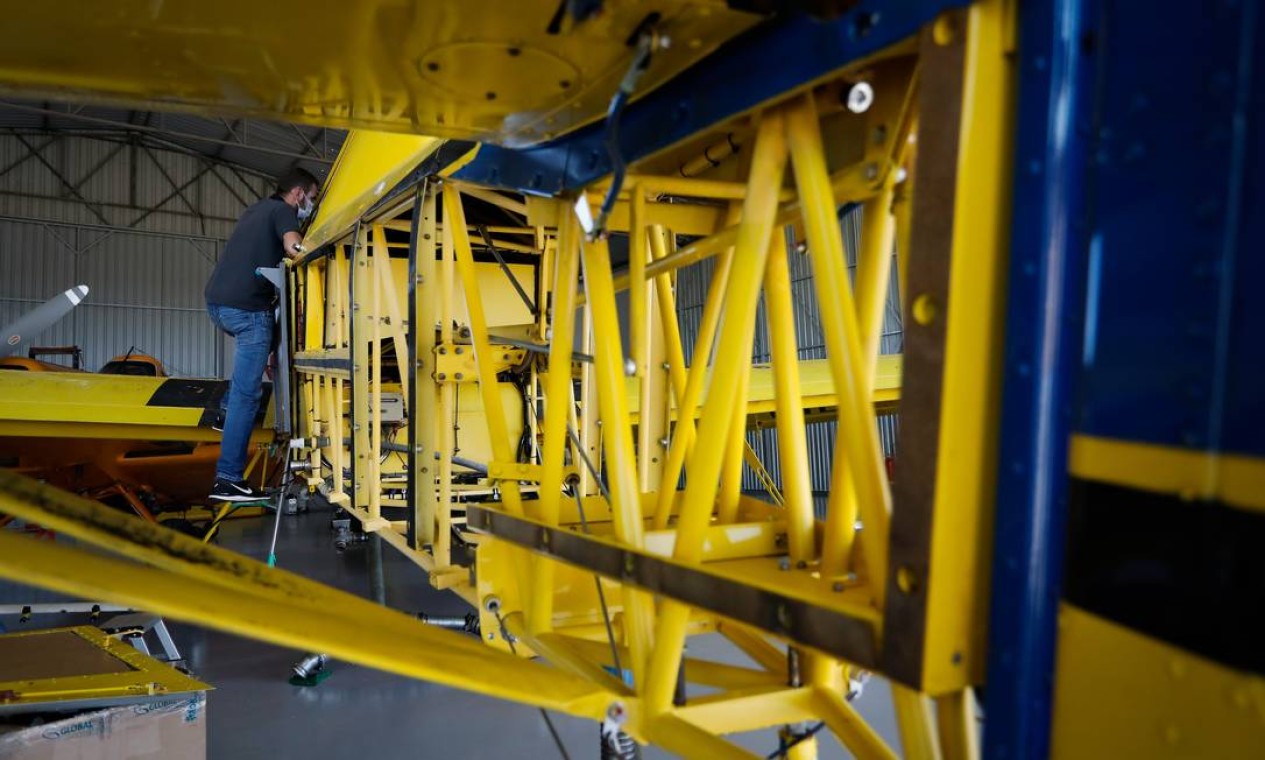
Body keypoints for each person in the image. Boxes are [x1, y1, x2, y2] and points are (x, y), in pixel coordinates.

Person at [204, 168, 319, 501]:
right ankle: (227, 479)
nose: (310, 204)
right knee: (248, 396)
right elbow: (293, 246)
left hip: (218, 304)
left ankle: (224, 414)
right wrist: (314, 254)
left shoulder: (256, 209)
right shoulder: (284, 211)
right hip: (248, 312)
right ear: (298, 194)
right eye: (312, 197)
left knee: (240, 387)